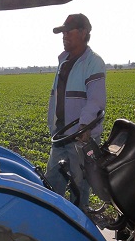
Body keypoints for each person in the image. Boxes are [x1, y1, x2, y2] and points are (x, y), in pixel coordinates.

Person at [45, 12, 106, 214]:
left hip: (80, 138)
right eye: (62, 32)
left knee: (79, 188)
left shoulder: (92, 62)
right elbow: (56, 97)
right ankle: (54, 223)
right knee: (52, 184)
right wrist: (51, 124)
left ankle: (78, 225)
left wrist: (83, 126)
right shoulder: (63, 62)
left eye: (68, 32)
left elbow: (96, 100)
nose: (64, 36)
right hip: (61, 135)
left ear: (83, 32)